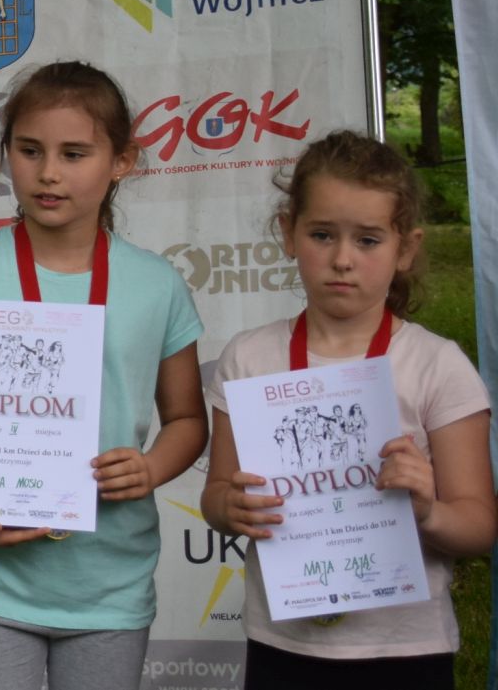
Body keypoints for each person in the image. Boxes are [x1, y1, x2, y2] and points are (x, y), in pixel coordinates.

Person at [0, 61, 206, 690]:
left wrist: (151, 468)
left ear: (122, 161)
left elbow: (189, 419)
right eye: (29, 150)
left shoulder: (157, 285)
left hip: (110, 586)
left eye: (74, 154)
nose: (49, 172)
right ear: (6, 152)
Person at [201, 131, 495, 689]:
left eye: (368, 240)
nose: (342, 259)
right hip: (283, 642)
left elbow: (479, 527)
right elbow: (216, 496)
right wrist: (229, 507)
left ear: (405, 249)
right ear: (288, 233)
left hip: (406, 648)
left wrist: (428, 510)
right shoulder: (249, 357)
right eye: (321, 235)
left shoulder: (436, 365)